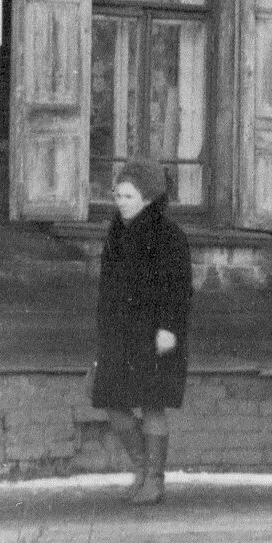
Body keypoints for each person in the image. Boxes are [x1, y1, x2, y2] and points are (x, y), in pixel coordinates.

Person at [92, 160, 193, 506]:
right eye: (118, 195)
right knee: (111, 400)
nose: (121, 201)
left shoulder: (168, 236)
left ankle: (154, 479)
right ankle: (142, 469)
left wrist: (169, 329)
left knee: (152, 404)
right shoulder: (116, 233)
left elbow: (178, 289)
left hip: (154, 334)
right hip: (119, 334)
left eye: (129, 195)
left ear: (149, 198)